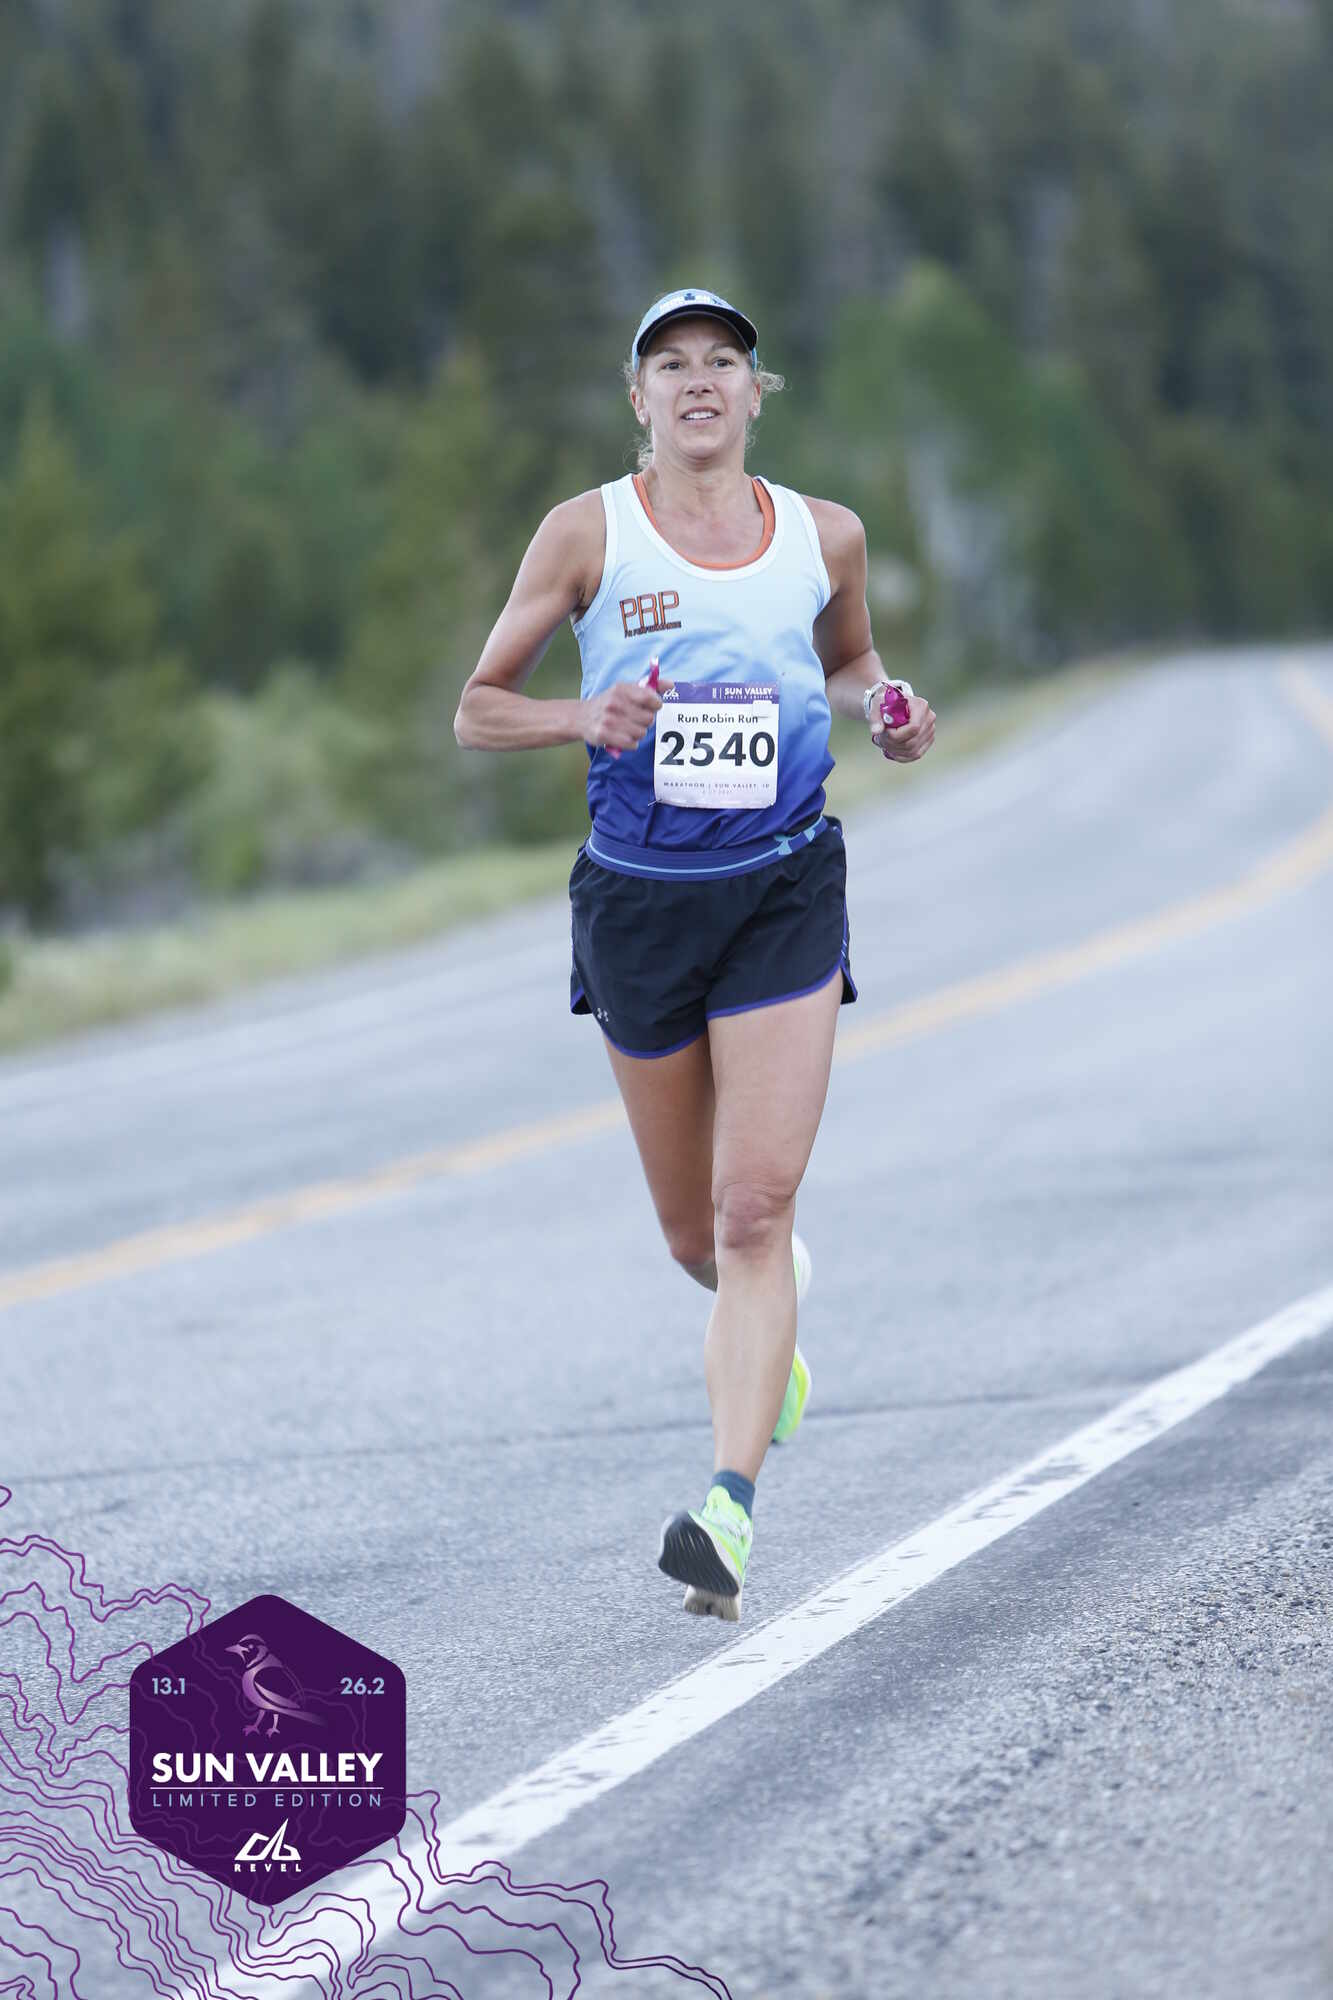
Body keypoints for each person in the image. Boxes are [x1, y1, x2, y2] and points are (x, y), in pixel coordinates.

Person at [454, 287, 935, 1622]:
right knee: (692, 1237)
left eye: (723, 359)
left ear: (755, 393)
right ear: (639, 398)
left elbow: (851, 663)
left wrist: (887, 708)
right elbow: (477, 709)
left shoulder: (824, 534)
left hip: (783, 887)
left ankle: (726, 1508)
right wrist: (581, 717)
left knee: (751, 1213)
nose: (700, 380)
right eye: (671, 364)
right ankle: (766, 1329)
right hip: (640, 906)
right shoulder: (586, 533)